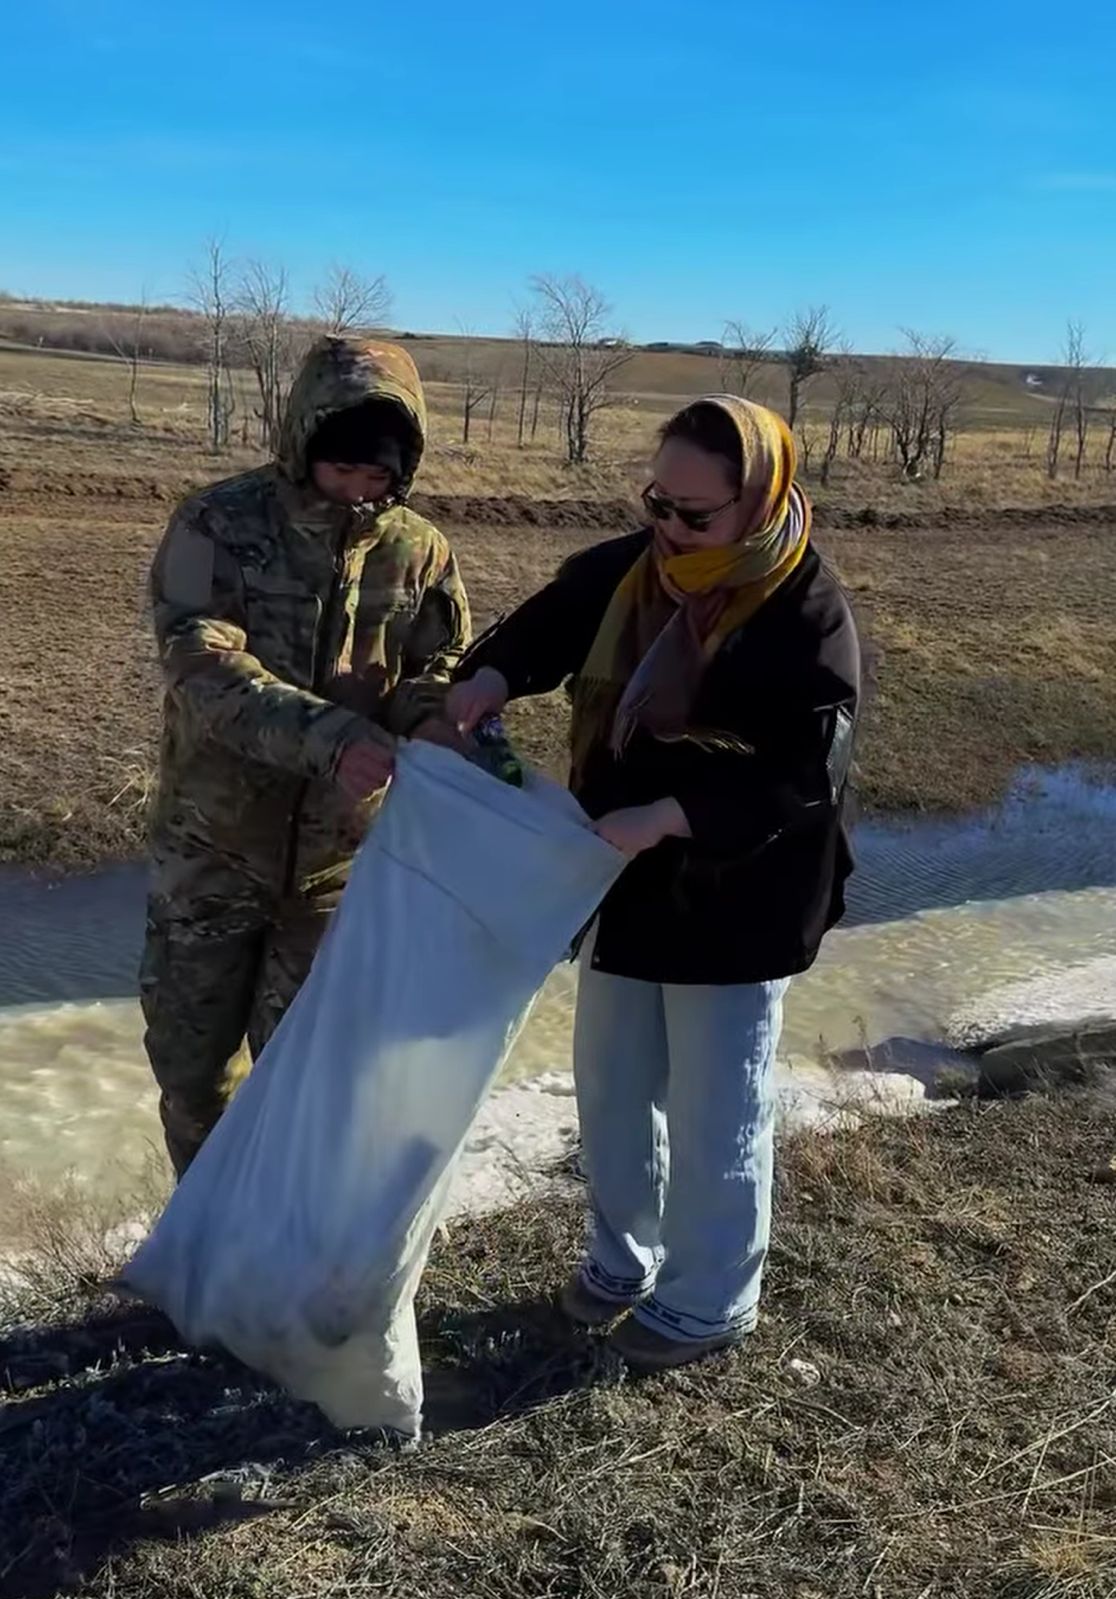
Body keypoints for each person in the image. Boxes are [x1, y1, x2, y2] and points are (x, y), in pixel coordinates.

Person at [445, 396, 860, 1373]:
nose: (669, 529)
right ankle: (620, 1258)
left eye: (695, 515)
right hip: (624, 880)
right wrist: (487, 680)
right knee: (616, 1086)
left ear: (760, 501)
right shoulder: (633, 571)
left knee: (721, 1103)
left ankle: (711, 1296)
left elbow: (801, 775)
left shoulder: (806, 611)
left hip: (742, 893)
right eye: (656, 503)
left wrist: (669, 815)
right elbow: (543, 628)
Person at [142, 336, 470, 1176]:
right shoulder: (217, 522)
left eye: (379, 476)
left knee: (310, 1082)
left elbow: (432, 669)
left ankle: (281, 1253)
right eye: (341, 470)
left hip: (335, 874)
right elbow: (202, 666)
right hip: (210, 858)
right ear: (304, 441)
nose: (360, 491)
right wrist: (333, 739)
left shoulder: (422, 550)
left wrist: (433, 719)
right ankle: (204, 1254)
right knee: (194, 1077)